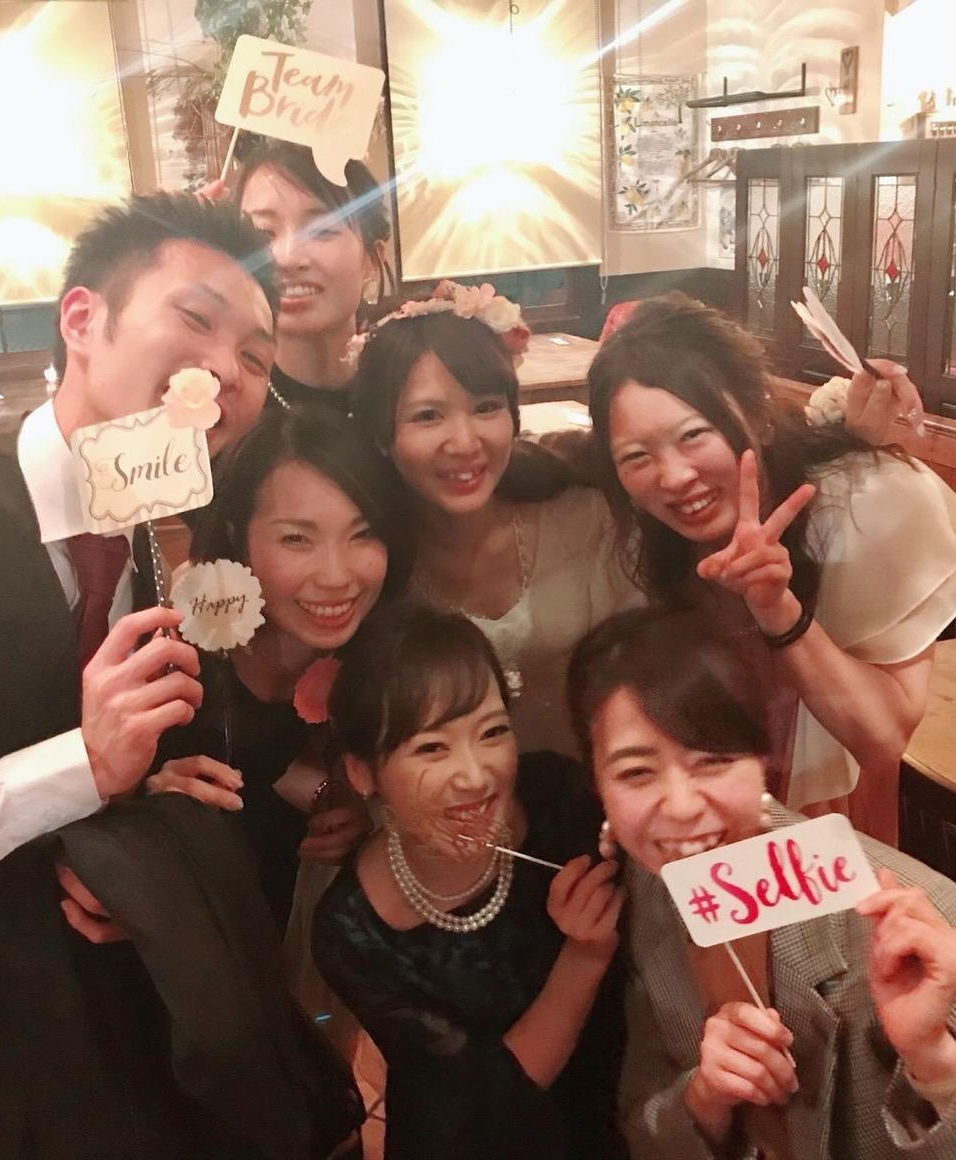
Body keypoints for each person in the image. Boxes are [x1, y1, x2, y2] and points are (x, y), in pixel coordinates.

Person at [0, 193, 277, 1154]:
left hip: (86, 1042)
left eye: (259, 357)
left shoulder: (158, 544)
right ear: (82, 320)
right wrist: (81, 769)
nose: (228, 369)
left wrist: (135, 813)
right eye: (197, 319)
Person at [568, 607, 956, 1160]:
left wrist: (934, 1056)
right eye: (635, 772)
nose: (679, 807)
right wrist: (706, 1098)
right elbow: (642, 1117)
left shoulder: (883, 916)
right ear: (597, 783)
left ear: (763, 760)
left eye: (713, 761)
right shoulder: (650, 887)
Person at [586, 293, 956, 842]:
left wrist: (777, 608)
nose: (673, 477)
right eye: (636, 456)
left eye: (693, 435)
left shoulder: (862, 505)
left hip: (827, 835)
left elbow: (883, 740)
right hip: (698, 833)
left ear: (757, 416)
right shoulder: (633, 535)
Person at [312, 601, 626, 1159]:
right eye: (432, 747)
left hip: (618, 1110)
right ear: (362, 772)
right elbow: (493, 1100)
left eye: (492, 732)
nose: (476, 776)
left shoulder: (563, 800)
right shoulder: (352, 930)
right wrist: (585, 956)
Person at [149, 405, 413, 933]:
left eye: (363, 533)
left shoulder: (387, 658)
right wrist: (151, 807)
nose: (337, 577)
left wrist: (359, 814)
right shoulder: (176, 660)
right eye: (297, 539)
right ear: (237, 534)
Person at [350, 289, 641, 756]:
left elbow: (649, 668)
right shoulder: (369, 564)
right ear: (381, 436)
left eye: (486, 407)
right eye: (428, 416)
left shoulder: (588, 520)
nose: (465, 442)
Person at [224, 138, 391, 413]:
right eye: (262, 232)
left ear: (372, 259)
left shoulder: (410, 390)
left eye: (321, 230)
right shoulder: (222, 408)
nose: (288, 258)